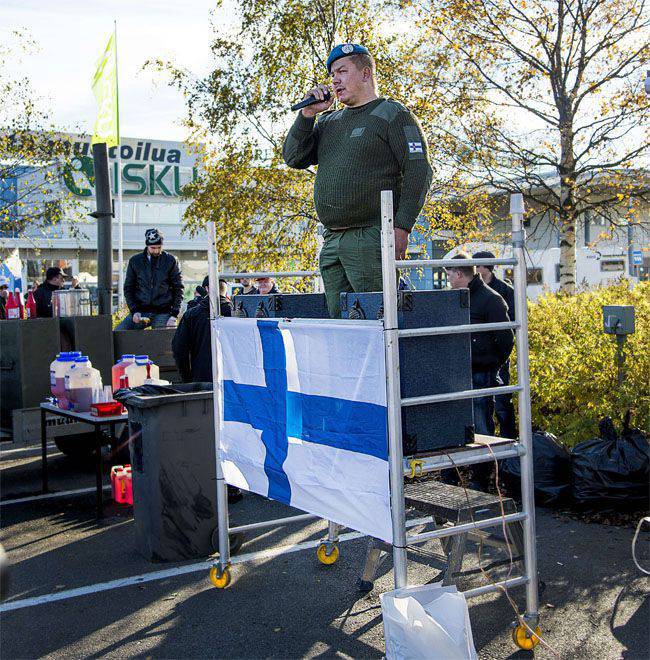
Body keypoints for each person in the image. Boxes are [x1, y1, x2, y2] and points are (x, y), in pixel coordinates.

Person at [283, 43, 433, 318]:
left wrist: (402, 226)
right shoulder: (329, 121)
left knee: (376, 320)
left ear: (366, 74)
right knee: (342, 326)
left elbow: (419, 171)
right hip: (333, 241)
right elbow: (294, 158)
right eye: (332, 74)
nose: (335, 80)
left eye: (342, 71)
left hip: (371, 236)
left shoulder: (391, 114)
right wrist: (307, 115)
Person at [446, 253, 514, 436]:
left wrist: (490, 364)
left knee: (481, 425)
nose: (447, 279)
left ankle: (484, 463)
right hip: (460, 370)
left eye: (449, 274)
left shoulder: (491, 299)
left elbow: (506, 338)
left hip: (480, 372)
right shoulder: (456, 297)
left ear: (459, 274)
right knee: (460, 423)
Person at [473, 250, 517, 439]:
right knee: (483, 404)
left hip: (498, 355)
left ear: (484, 267)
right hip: (484, 356)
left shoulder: (504, 290)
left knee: (502, 402)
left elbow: (512, 323)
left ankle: (509, 440)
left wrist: (500, 354)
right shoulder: (474, 289)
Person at [117, 228, 184, 330]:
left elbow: (178, 288)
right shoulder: (135, 261)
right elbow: (128, 288)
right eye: (153, 248)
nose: (156, 250)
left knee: (163, 341)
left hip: (163, 312)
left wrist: (174, 315)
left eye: (159, 247)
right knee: (120, 331)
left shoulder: (171, 261)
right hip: (141, 311)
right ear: (147, 245)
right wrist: (134, 311)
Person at [172, 277, 232, 384]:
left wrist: (187, 378)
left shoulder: (191, 315)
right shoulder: (238, 314)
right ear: (225, 290)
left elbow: (179, 349)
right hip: (233, 381)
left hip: (201, 379)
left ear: (207, 289)